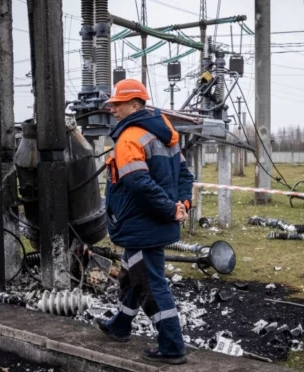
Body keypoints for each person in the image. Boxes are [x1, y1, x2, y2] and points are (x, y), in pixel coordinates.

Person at [96, 79, 194, 365]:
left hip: (141, 225)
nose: (113, 110)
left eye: (118, 105)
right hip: (151, 223)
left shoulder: (130, 138)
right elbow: (186, 176)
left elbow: (138, 183)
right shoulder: (166, 135)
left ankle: (172, 346)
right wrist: (181, 205)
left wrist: (169, 209)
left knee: (151, 282)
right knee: (131, 275)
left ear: (135, 105)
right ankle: (121, 325)